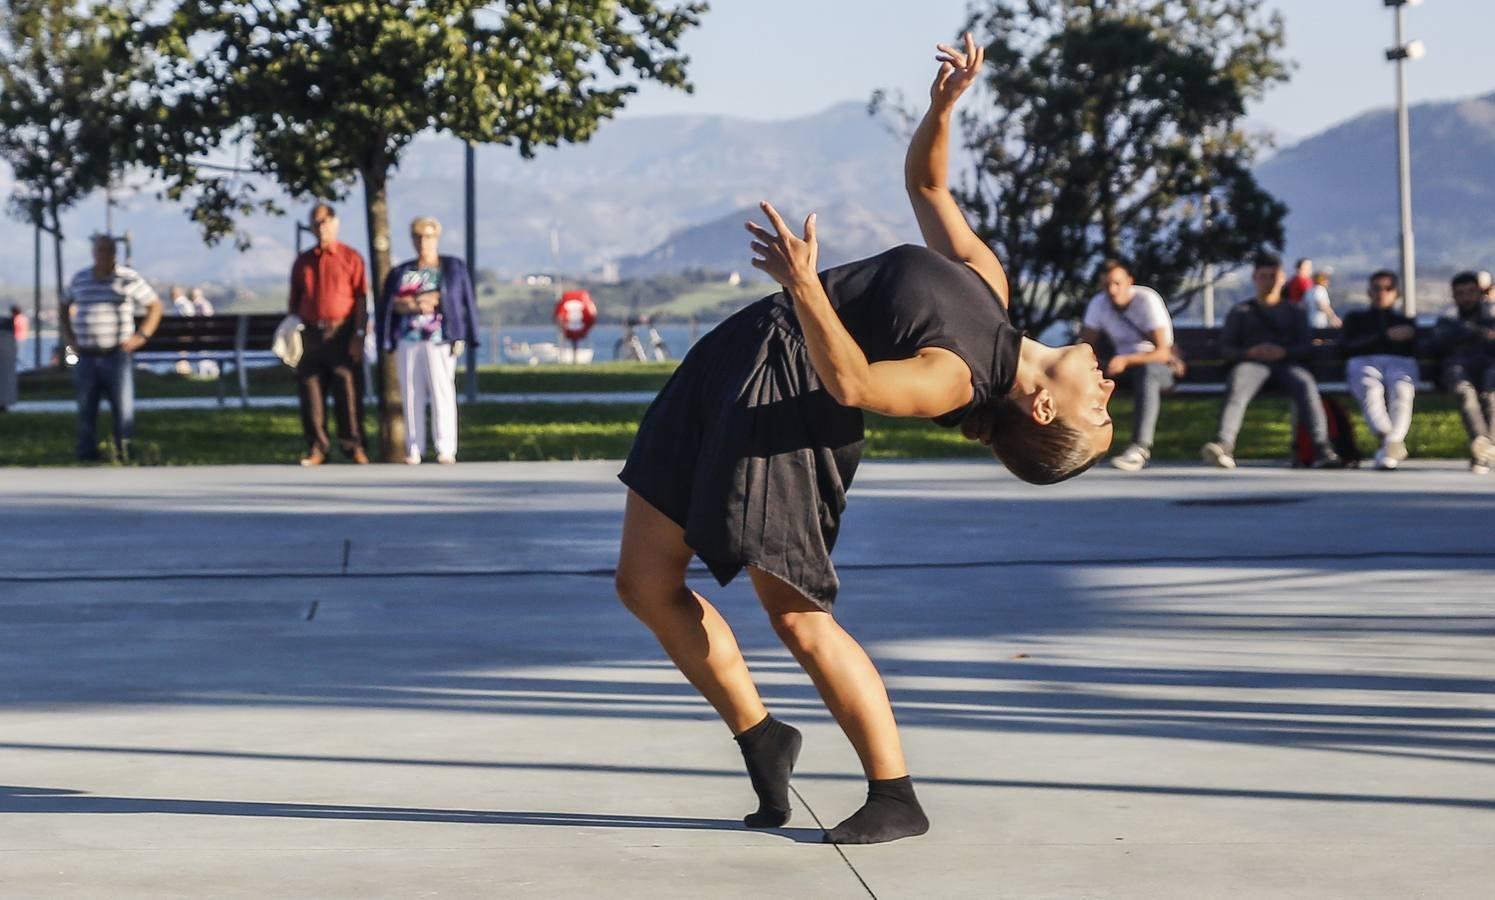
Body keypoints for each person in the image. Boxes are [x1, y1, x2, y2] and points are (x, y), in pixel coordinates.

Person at [614, 35, 1114, 847]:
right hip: (733, 359)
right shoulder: (988, 290)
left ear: (1045, 414)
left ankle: (894, 792)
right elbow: (926, 183)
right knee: (642, 581)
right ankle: (760, 734)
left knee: (795, 615)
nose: (1107, 388)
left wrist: (808, 287)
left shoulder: (953, 378)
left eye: (1101, 412)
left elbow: (850, 386)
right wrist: (941, 108)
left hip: (787, 395)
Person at [1201, 252, 1341, 469]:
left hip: (1288, 365)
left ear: (1282, 278)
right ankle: (1223, 444)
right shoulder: (1241, 312)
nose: (1270, 281)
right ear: (1255, 278)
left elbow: (1305, 347)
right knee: (1238, 381)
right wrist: (1250, 353)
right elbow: (1226, 348)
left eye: (1274, 276)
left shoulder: (1295, 311)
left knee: (1305, 383)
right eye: (1264, 276)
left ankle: (1322, 449)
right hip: (1251, 365)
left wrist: (1283, 352)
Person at [378, 216, 479, 465]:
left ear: (437, 238)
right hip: (408, 338)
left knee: (442, 391)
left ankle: (445, 447)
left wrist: (465, 332)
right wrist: (412, 304)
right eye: (419, 236)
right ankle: (414, 448)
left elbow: (463, 300)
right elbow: (389, 305)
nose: (424, 241)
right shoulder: (401, 272)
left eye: (429, 236)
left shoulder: (452, 268)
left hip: (440, 339)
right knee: (411, 393)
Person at [60, 234, 164, 461]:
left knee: (123, 408)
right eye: (100, 250)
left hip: (116, 354)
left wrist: (141, 336)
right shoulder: (80, 279)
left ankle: (122, 451)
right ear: (93, 253)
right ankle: (86, 452)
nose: (104, 255)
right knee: (86, 407)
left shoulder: (128, 279)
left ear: (114, 254)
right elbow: (64, 305)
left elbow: (154, 305)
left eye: (108, 251)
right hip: (85, 354)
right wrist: (70, 339)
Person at [289, 203, 370, 466]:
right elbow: (295, 300)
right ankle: (317, 447)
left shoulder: (351, 257)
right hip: (311, 333)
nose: (320, 226)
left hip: (342, 332)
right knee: (310, 391)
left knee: (347, 389)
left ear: (335, 223)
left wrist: (358, 333)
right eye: (316, 222)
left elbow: (361, 299)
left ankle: (353, 445)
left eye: (325, 221)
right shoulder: (304, 261)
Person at [1080, 259, 1175, 471]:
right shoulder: (1099, 303)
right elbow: (1087, 346)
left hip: (1157, 368)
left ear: (1129, 281)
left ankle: (1140, 448)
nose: (1112, 291)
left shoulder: (1147, 300)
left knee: (1147, 373)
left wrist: (1126, 360)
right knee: (1084, 377)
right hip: (1122, 367)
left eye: (1117, 284)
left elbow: (1163, 352)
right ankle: (1083, 444)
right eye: (1106, 285)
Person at [1340, 270, 1417, 470]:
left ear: (1396, 293)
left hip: (1399, 362)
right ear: (1369, 292)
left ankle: (1389, 444)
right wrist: (1385, 336)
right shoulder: (1355, 319)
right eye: (1376, 288)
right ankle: (1391, 442)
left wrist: (1410, 335)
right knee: (1371, 390)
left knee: (1402, 389)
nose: (1382, 293)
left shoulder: (1405, 321)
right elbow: (1347, 346)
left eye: (1388, 288)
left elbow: (1417, 349)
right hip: (1363, 362)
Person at [1424, 271, 1495, 474]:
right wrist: (1474, 332)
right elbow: (1434, 346)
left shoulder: (1491, 315)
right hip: (1458, 369)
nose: (1466, 297)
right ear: (1454, 296)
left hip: (1489, 368)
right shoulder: (1448, 319)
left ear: (1479, 293)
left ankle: (1482, 452)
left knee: (1491, 393)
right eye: (1461, 293)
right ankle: (1483, 448)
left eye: (1470, 292)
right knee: (1465, 392)